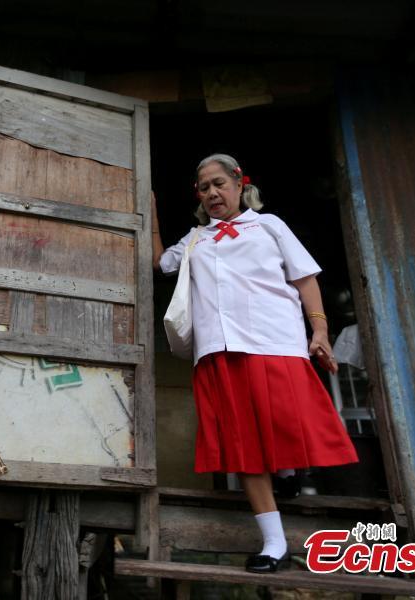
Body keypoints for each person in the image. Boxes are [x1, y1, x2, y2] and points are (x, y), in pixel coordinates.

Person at [152, 153, 359, 573]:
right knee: (243, 444)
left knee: (285, 420)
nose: (212, 193)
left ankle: (286, 471)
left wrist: (318, 331)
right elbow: (159, 263)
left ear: (240, 184)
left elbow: (305, 278)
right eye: (204, 187)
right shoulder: (194, 240)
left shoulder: (270, 226)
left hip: (275, 342)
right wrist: (149, 212)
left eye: (218, 184)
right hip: (219, 350)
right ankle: (274, 543)